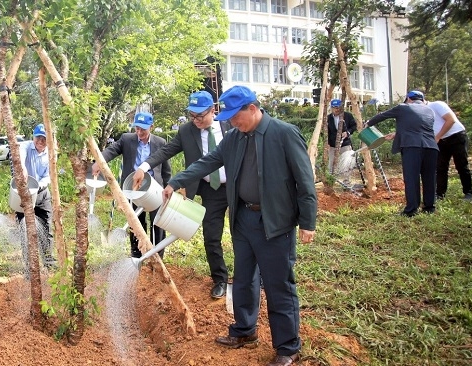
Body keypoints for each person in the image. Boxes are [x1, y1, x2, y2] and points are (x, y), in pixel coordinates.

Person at [161, 86, 317, 366]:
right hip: (243, 218)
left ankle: (287, 347)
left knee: (278, 283)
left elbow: (304, 180)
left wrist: (307, 222)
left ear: (253, 109)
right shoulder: (234, 138)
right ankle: (245, 330)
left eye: (236, 117)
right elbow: (208, 161)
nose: (232, 122)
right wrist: (176, 181)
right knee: (244, 278)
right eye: (229, 118)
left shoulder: (283, 134)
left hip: (274, 221)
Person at [132, 91, 231, 299]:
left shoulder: (230, 124)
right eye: (192, 116)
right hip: (209, 190)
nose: (195, 121)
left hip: (236, 186)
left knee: (244, 233)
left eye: (200, 116)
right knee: (211, 236)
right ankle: (220, 279)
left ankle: (252, 276)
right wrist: (143, 166)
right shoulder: (187, 131)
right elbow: (165, 151)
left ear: (213, 110)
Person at [92, 112, 171, 258]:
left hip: (155, 188)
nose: (139, 132)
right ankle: (137, 254)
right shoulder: (127, 139)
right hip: (133, 187)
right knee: (135, 222)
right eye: (137, 129)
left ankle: (157, 256)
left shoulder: (160, 143)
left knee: (158, 223)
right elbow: (111, 150)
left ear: (151, 127)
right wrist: (99, 161)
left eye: (143, 129)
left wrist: (167, 188)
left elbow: (166, 170)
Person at [365, 90, 438, 217]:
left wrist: (368, 123)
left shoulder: (403, 108)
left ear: (408, 99)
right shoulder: (429, 111)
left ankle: (411, 210)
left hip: (412, 147)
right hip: (431, 147)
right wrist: (397, 134)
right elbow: (418, 128)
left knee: (411, 178)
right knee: (429, 178)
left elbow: (383, 115)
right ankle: (429, 208)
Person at [15, 123, 55, 269]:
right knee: (25, 230)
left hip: (42, 194)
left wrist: (38, 186)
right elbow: (20, 155)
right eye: (38, 138)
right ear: (33, 137)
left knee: (46, 227)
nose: (40, 142)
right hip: (24, 194)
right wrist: (23, 168)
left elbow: (48, 176)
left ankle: (48, 260)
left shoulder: (50, 153)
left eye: (44, 139)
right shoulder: (25, 147)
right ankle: (29, 265)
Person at [427, 100, 472, 201]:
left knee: (461, 166)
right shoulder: (422, 112)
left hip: (456, 137)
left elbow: (451, 120)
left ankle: (468, 193)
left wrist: (438, 136)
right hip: (442, 141)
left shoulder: (436, 105)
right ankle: (440, 194)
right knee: (440, 168)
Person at [327, 98, 357, 184]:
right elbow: (326, 132)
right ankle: (330, 181)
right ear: (331, 108)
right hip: (333, 144)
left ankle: (346, 182)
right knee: (331, 163)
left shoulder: (348, 116)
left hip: (345, 143)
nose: (336, 110)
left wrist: (347, 132)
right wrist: (327, 143)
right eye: (334, 108)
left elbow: (354, 126)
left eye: (338, 107)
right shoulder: (328, 118)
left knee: (346, 163)